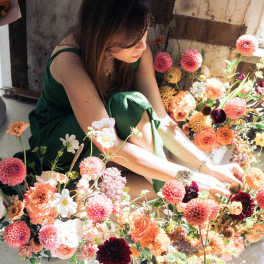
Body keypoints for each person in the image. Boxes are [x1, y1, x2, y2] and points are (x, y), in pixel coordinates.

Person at [26, 0, 242, 195]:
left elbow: (162, 121)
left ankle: (165, 187)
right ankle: (168, 189)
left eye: (144, 34)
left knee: (129, 104)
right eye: (132, 42)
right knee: (159, 177)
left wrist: (206, 167)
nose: (142, 46)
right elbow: (110, 144)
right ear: (105, 41)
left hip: (109, 134)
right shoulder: (69, 62)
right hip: (65, 141)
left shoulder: (139, 51)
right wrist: (187, 176)